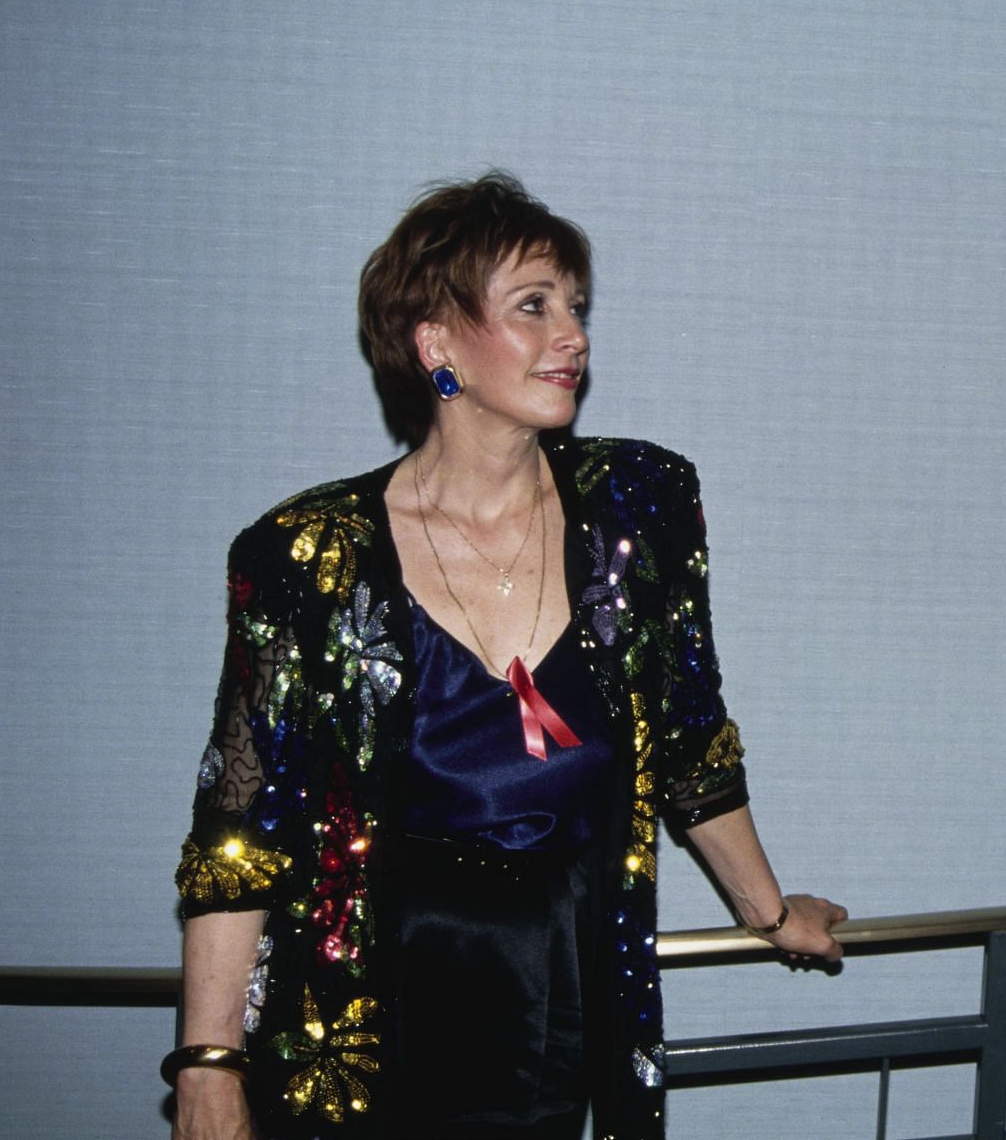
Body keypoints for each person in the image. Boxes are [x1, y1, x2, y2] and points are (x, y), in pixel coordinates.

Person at [169, 173, 847, 1139]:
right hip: (376, 1014)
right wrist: (207, 1062)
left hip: (568, 1003)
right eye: (533, 306)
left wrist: (770, 911)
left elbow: (691, 737)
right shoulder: (305, 557)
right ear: (437, 343)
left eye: (575, 307)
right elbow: (240, 828)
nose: (571, 334)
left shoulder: (638, 505)